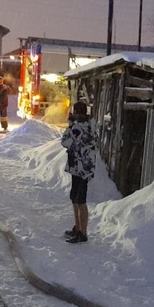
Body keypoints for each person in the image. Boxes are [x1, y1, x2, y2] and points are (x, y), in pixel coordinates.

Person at [60, 100, 98, 244]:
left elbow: (65, 142)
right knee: (75, 198)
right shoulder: (90, 126)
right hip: (82, 168)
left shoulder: (78, 129)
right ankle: (78, 228)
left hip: (81, 168)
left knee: (80, 201)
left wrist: (70, 126)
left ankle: (82, 232)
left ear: (77, 113)